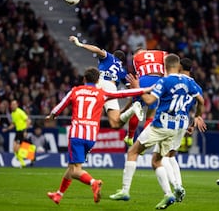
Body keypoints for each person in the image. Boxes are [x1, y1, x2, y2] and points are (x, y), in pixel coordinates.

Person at [109, 54, 206, 209]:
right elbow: (201, 100)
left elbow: (148, 101)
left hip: (161, 125)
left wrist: (136, 88)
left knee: (133, 151)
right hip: (176, 128)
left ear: (165, 66)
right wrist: (199, 115)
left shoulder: (165, 81)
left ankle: (125, 190)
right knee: (157, 160)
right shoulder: (189, 83)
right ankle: (168, 194)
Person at [45, 67, 151, 205]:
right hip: (91, 137)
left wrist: (52, 115)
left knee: (76, 169)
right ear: (97, 81)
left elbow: (60, 106)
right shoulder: (102, 93)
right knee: (72, 167)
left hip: (77, 134)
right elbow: (124, 94)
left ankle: (93, 182)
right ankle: (58, 194)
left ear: (84, 79)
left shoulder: (75, 91)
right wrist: (146, 89)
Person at [68, 36, 144, 129]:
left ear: (114, 55)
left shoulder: (109, 57)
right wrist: (128, 105)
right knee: (115, 124)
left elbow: (97, 50)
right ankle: (131, 110)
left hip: (98, 84)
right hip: (111, 88)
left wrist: (80, 44)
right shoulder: (123, 71)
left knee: (86, 110)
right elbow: (131, 91)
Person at [160, 57, 205, 203]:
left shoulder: (176, 80)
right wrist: (194, 121)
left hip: (170, 119)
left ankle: (176, 186)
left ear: (180, 66)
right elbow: (200, 102)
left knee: (163, 156)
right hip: (184, 121)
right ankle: (179, 185)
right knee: (172, 155)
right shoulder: (197, 86)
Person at [123, 48, 168, 146]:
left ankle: (130, 137)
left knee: (136, 108)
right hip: (159, 81)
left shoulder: (135, 58)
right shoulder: (161, 53)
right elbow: (169, 61)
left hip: (143, 80)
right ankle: (144, 142)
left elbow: (139, 73)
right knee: (151, 114)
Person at [3, 100, 31, 167]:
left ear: (17, 105)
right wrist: (7, 129)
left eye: (14, 104)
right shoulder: (13, 113)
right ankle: (22, 162)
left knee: (17, 148)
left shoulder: (20, 112)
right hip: (18, 131)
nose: (12, 106)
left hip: (22, 131)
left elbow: (28, 121)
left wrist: (25, 131)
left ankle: (23, 162)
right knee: (14, 148)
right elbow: (13, 124)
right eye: (12, 104)